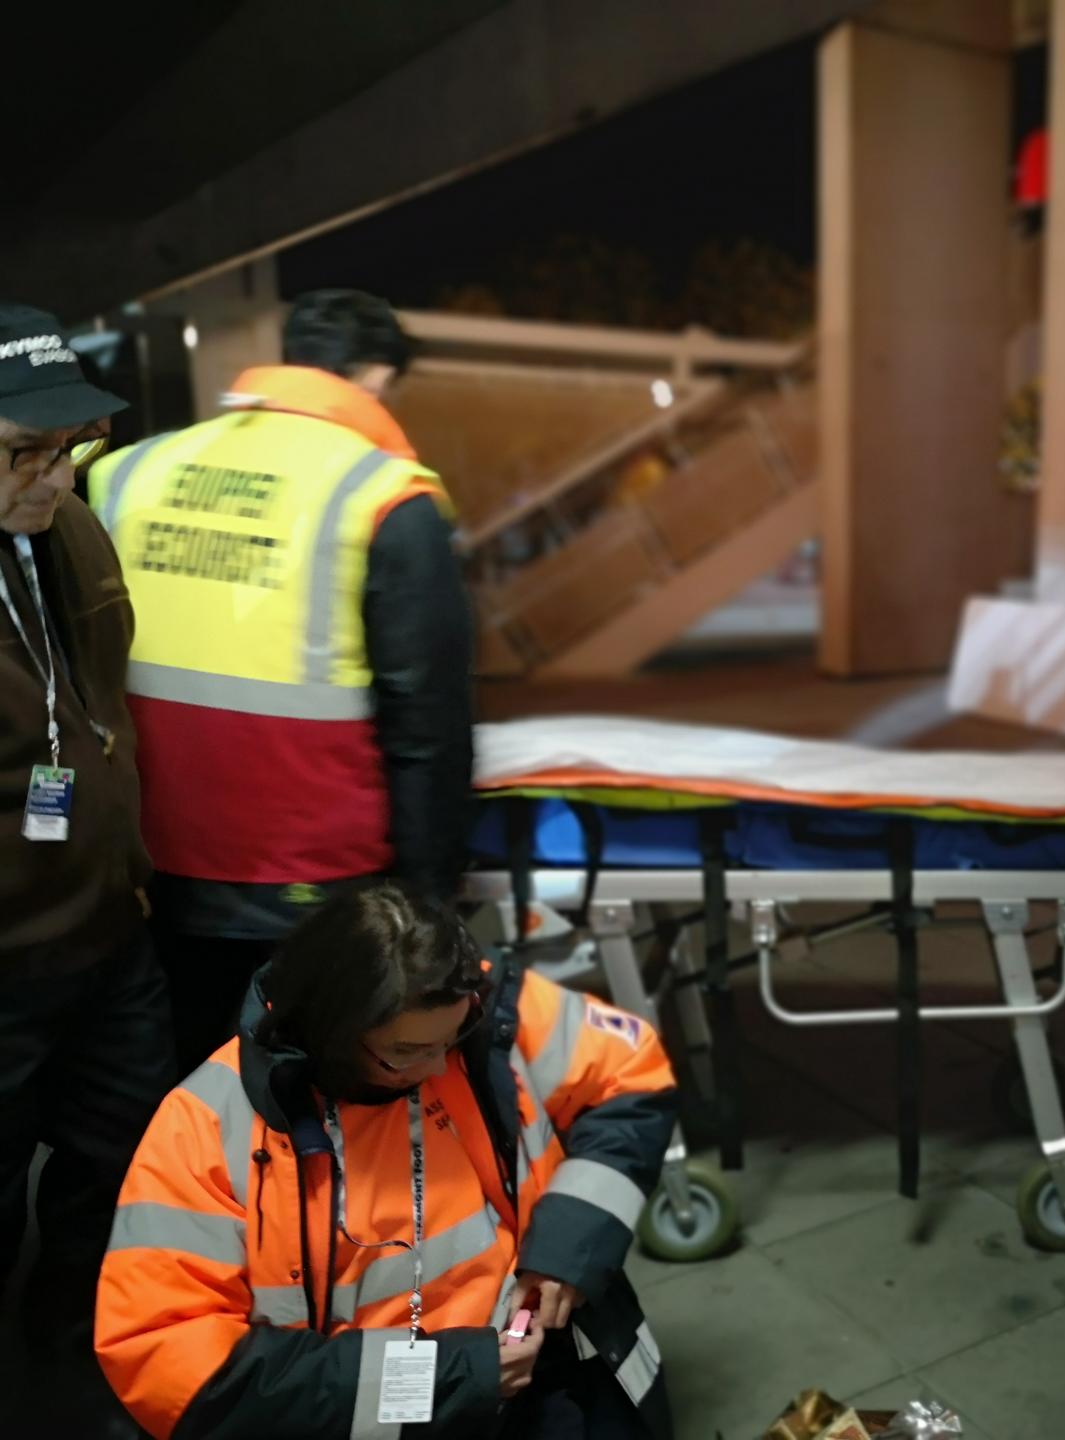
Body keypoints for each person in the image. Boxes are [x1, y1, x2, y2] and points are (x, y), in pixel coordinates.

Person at [97, 883, 680, 1438]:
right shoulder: (205, 1126)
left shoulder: (476, 1007)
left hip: (534, 1378)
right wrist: (450, 1376)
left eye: (450, 1040)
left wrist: (568, 1248)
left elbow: (631, 1072)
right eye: (405, 1053)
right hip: (370, 1418)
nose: (435, 1069)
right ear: (331, 1033)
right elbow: (164, 1360)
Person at [87, 289, 474, 1074]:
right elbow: (425, 722)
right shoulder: (384, 496)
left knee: (185, 1086)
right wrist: (431, 903)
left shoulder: (128, 472)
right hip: (312, 869)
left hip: (144, 857)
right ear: (372, 376)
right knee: (309, 1087)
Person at [0, 303, 176, 1436]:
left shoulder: (70, 530)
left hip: (112, 935)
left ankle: (74, 1343)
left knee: (120, 1164)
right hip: (3, 970)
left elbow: (95, 708)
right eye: (25, 451)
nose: (55, 475)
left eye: (70, 448)